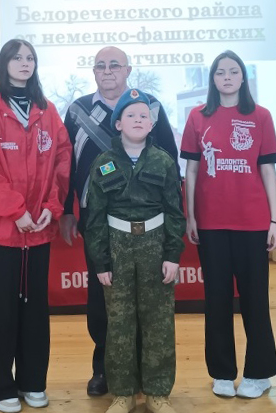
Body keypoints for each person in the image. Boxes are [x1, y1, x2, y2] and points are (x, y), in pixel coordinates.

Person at [60, 46, 178, 396]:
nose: (108, 71)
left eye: (115, 65)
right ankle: (104, 369)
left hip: (150, 228)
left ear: (128, 70)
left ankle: (145, 372)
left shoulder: (151, 107)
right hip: (100, 224)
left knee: (148, 303)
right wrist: (67, 209)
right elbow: (64, 165)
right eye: (101, 66)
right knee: (103, 298)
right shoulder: (78, 110)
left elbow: (169, 159)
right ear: (93, 72)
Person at [0, 39, 72, 413]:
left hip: (39, 230)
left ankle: (33, 382)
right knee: (0, 311)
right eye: (17, 58)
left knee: (34, 310)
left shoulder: (47, 110)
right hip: (1, 231)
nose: (24, 63)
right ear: (5, 63)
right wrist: (16, 211)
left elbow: (62, 161)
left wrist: (51, 206)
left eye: (30, 58)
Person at [180, 50, 276, 399]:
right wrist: (191, 215)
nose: (226, 77)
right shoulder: (197, 117)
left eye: (233, 71)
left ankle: (260, 372)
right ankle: (222, 372)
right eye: (220, 72)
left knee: (255, 299)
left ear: (242, 78)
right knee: (217, 299)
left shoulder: (261, 116)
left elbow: (267, 169)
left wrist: (274, 219)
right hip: (210, 223)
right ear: (212, 79)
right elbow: (191, 171)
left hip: (252, 222)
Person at [85, 89, 185, 413]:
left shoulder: (164, 161)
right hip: (118, 246)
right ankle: (123, 392)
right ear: (118, 124)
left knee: (158, 320)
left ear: (152, 123)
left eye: (144, 115)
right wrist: (100, 260)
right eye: (130, 115)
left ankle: (157, 391)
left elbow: (175, 211)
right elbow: (95, 218)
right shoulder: (102, 164)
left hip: (155, 245)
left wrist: (172, 255)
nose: (138, 120)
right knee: (119, 321)